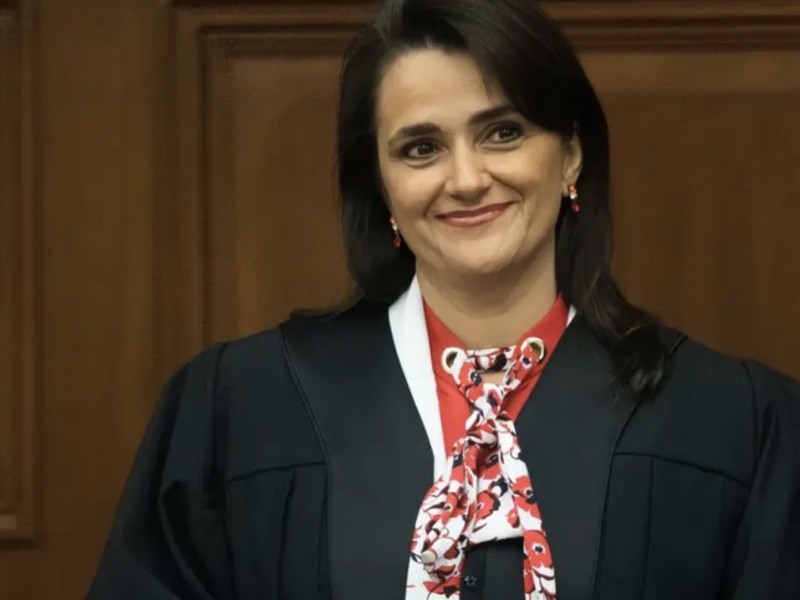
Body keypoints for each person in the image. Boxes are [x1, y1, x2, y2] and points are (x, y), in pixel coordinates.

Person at [85, 0, 800, 598]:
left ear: (571, 154)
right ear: (381, 186)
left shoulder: (729, 423)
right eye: (420, 148)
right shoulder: (243, 410)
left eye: (503, 132)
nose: (466, 179)